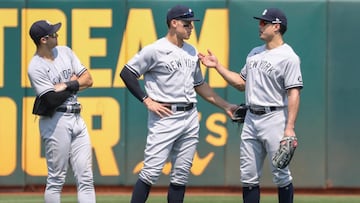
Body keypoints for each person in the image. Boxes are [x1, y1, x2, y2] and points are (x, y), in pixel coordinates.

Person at [120, 4, 237, 203]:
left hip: (190, 116)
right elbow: (127, 72)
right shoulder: (155, 50)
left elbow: (200, 85)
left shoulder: (192, 51)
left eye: (192, 24)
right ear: (174, 23)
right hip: (164, 116)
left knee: (181, 176)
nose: (191, 27)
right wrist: (146, 100)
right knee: (150, 172)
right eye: (187, 24)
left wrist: (226, 106)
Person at [198, 8, 303, 203]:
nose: (259, 26)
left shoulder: (289, 57)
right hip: (251, 119)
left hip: (274, 118)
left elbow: (294, 93)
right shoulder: (254, 53)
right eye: (260, 22)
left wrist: (289, 127)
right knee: (248, 177)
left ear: (276, 26)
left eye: (264, 23)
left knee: (281, 175)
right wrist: (218, 67)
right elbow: (240, 83)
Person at [27, 20, 96, 203]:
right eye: (53, 34)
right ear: (43, 40)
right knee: (56, 179)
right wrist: (75, 83)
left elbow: (88, 79)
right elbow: (50, 99)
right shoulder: (36, 66)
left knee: (86, 178)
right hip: (55, 120)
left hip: (77, 117)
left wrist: (66, 84)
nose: (57, 35)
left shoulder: (65, 51)